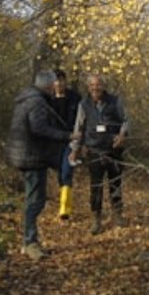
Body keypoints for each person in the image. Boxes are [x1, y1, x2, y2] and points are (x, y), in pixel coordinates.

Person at [6, 69, 79, 260]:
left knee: (34, 199)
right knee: (35, 201)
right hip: (31, 157)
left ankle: (30, 239)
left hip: (26, 155)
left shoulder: (28, 98)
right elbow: (39, 128)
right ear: (48, 85)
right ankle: (29, 242)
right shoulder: (37, 101)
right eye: (53, 84)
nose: (55, 87)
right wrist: (67, 135)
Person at [69, 73, 130, 235]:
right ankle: (96, 219)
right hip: (94, 150)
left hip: (113, 150)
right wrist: (75, 149)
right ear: (88, 87)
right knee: (95, 186)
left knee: (115, 184)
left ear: (103, 86)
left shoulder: (115, 101)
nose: (96, 88)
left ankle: (117, 215)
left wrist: (122, 135)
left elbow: (126, 120)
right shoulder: (84, 104)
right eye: (92, 85)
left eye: (98, 85)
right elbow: (79, 127)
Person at [50, 69, 83, 222]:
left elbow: (81, 121)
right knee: (59, 174)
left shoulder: (75, 99)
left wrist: (79, 142)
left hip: (71, 140)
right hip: (53, 142)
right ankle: (62, 201)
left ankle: (65, 209)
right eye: (56, 80)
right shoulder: (47, 99)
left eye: (62, 80)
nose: (59, 83)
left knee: (66, 172)